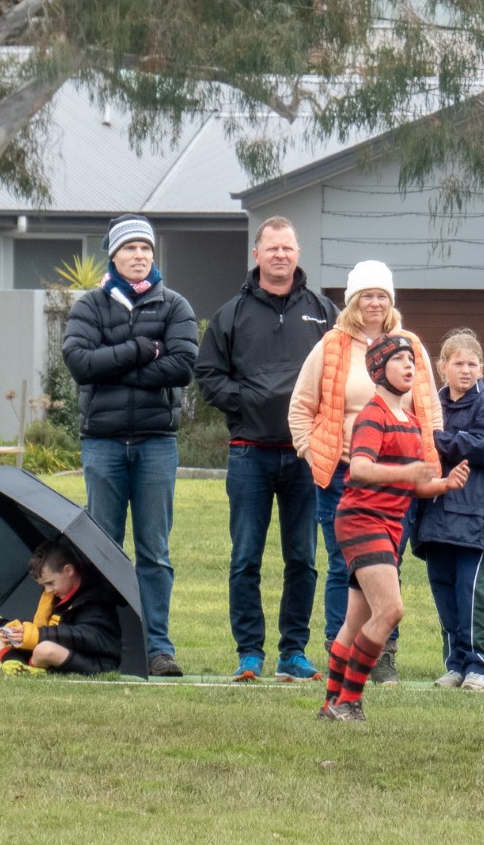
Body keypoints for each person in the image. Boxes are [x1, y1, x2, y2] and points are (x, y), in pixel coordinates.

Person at [195, 216, 338, 683]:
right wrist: (248, 403)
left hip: (306, 455)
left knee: (303, 559)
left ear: (298, 253)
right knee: (245, 558)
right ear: (256, 255)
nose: (280, 255)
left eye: (288, 248)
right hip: (249, 453)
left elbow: (343, 371)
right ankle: (249, 654)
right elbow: (208, 374)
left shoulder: (324, 312)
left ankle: (293, 652)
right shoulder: (231, 314)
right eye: (272, 248)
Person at [61, 213, 198, 677]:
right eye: (130, 248)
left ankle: (157, 647)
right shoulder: (89, 306)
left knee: (154, 551)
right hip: (102, 444)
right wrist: (141, 350)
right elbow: (80, 363)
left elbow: (182, 366)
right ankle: (105, 643)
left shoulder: (175, 306)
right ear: (114, 256)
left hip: (157, 444)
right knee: (102, 548)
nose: (139, 256)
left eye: (146, 248)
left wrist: (114, 367)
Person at [290, 260, 438, 684]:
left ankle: (382, 654)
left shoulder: (409, 345)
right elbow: (301, 407)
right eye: (367, 295)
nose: (375, 303)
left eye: (382, 296)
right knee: (343, 566)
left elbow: (429, 408)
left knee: (387, 563)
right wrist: (313, 453)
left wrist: (425, 464)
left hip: (397, 477)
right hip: (343, 473)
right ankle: (339, 650)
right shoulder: (332, 345)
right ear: (353, 301)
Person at [318, 336, 468, 721]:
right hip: (362, 519)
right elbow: (359, 468)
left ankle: (330, 704)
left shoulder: (413, 423)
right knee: (390, 610)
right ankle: (348, 701)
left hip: (388, 524)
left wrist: (444, 484)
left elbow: (413, 485)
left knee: (356, 620)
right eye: (399, 359)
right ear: (378, 369)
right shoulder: (374, 415)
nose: (409, 366)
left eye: (411, 359)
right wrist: (407, 471)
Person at [412, 329, 484, 693]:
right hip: (435, 516)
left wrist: (435, 440)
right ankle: (454, 664)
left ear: (481, 367)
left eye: (472, 364)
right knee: (444, 593)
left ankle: (477, 666)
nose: (466, 370)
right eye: (458, 363)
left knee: (472, 594)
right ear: (442, 366)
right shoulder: (430, 406)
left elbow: (481, 447)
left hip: (477, 519)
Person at [0, 541, 121, 677]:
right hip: (57, 649)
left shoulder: (96, 598)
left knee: (45, 650)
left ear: (68, 570)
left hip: (95, 661)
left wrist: (38, 635)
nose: (48, 590)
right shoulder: (57, 594)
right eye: (43, 586)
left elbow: (89, 637)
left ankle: (28, 670)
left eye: (51, 583)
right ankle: (16, 666)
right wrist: (19, 632)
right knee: (1, 642)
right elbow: (46, 628)